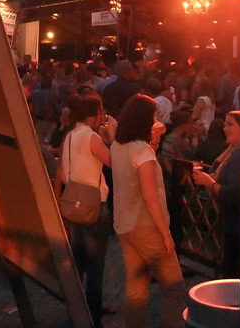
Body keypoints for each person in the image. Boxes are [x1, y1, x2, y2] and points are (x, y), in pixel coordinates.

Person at [111, 94, 184, 328]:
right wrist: (166, 234)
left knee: (136, 288)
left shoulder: (118, 145)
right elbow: (150, 197)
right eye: (152, 116)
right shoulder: (141, 152)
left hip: (124, 224)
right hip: (146, 226)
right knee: (174, 288)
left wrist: (153, 141)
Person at [55, 93, 113, 327]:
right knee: (96, 268)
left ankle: (76, 312)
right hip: (93, 206)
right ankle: (93, 318)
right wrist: (111, 137)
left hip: (73, 204)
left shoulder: (69, 136)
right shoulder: (91, 138)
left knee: (78, 263)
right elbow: (113, 162)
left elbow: (61, 172)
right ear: (95, 114)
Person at [192, 110, 240, 277]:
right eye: (225, 124)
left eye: (230, 124)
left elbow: (233, 193)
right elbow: (216, 169)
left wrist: (210, 183)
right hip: (236, 224)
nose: (225, 128)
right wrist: (230, 147)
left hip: (238, 226)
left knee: (234, 274)